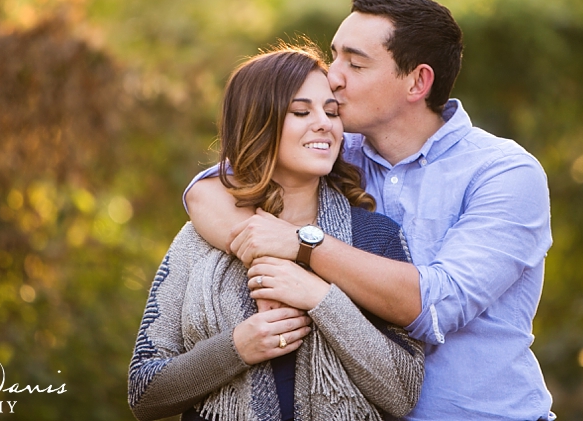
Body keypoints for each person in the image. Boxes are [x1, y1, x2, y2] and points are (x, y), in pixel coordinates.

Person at [186, 0, 555, 421]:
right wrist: (266, 261)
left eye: (355, 64)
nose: (332, 76)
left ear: (417, 83)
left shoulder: (503, 173)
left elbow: (436, 307)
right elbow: (207, 190)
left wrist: (303, 244)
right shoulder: (331, 150)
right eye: (334, 56)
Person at [127, 44, 424, 421]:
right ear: (259, 125)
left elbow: (403, 391)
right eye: (301, 111)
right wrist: (237, 348)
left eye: (332, 111)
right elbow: (143, 392)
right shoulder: (200, 239)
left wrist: (321, 298)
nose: (325, 123)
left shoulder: (375, 236)